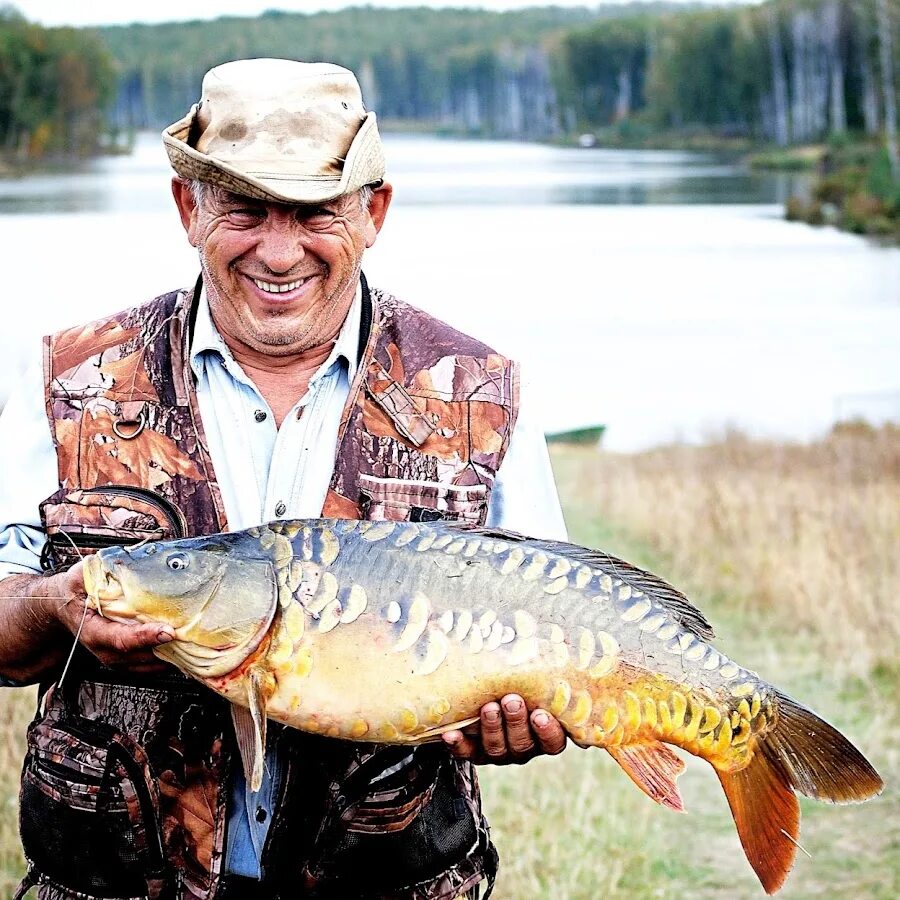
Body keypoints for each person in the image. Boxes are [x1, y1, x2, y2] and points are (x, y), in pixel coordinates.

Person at [0, 59, 568, 900]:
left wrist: (527, 716)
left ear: (373, 212)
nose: (278, 249)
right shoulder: (71, 379)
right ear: (188, 208)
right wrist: (50, 605)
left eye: (312, 213)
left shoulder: (475, 393)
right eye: (244, 209)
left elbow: (554, 628)